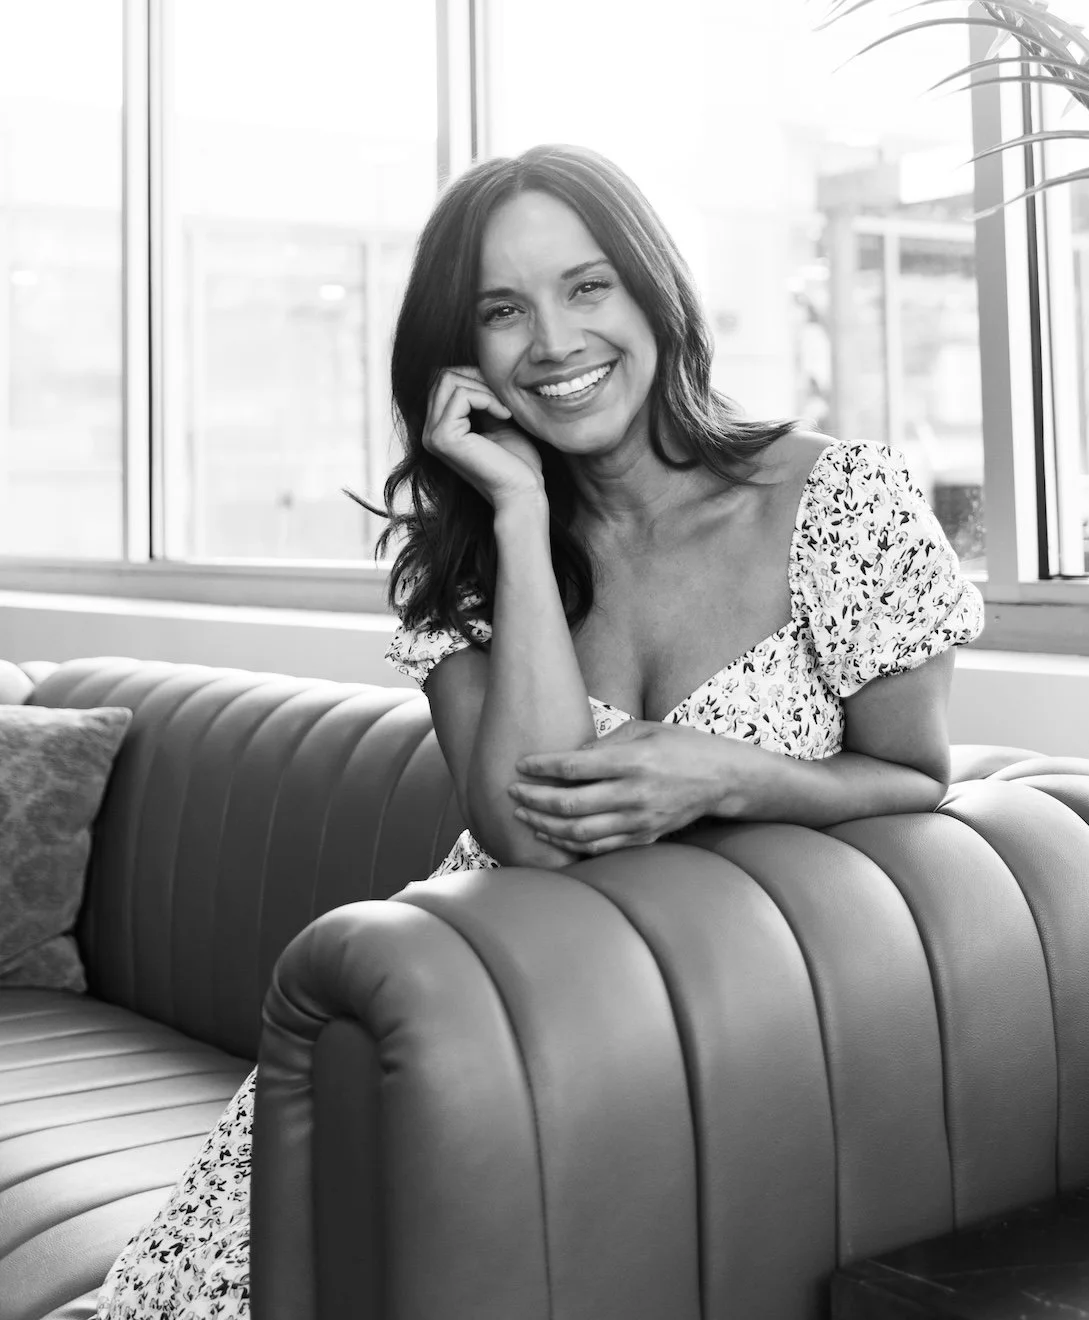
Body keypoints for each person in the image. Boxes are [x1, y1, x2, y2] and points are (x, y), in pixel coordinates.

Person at [97, 144, 982, 1319]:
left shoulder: (841, 498)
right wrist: (515, 515)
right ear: (461, 357)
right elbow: (528, 834)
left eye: (587, 285)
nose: (554, 341)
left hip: (699, 1052)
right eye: (503, 310)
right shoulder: (467, 553)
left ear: (654, 289)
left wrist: (727, 774)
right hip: (477, 1025)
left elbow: (914, 772)